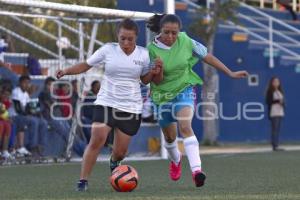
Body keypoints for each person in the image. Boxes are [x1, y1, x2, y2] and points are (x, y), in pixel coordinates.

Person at [56, 18, 162, 191]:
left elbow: (145, 80)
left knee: (120, 152)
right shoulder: (108, 49)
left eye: (130, 39)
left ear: (136, 37)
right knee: (97, 138)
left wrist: (153, 72)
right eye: (122, 38)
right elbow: (86, 64)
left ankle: (115, 163)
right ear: (117, 36)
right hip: (106, 102)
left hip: (130, 107)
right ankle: (83, 181)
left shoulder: (143, 54)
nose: (126, 42)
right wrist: (67, 70)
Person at [146, 14, 249, 187]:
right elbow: (154, 81)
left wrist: (230, 72)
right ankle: (176, 160)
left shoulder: (186, 41)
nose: (171, 37)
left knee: (185, 126)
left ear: (179, 31)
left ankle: (197, 172)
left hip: (184, 89)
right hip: (161, 96)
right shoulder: (150, 50)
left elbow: (207, 56)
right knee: (170, 138)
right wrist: (158, 70)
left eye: (174, 33)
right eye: (167, 33)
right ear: (160, 30)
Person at [265, 77, 285, 151]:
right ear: (272, 83)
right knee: (274, 129)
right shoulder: (270, 91)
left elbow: (282, 100)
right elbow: (268, 101)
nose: (276, 83)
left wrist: (282, 103)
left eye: (278, 81)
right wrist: (277, 101)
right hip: (274, 112)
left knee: (277, 129)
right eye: (275, 81)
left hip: (280, 112)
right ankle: (274, 145)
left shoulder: (279, 91)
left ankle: (276, 144)